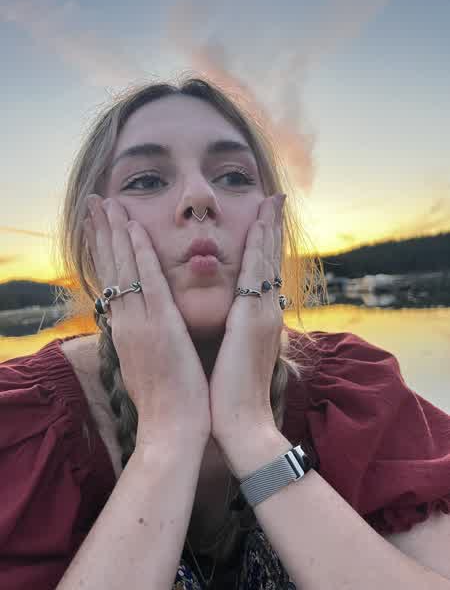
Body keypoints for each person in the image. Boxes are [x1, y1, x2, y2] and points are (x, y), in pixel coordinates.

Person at [0, 76, 449, 590]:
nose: (200, 197)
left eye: (234, 176)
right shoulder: (21, 427)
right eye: (146, 180)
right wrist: (166, 440)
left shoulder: (358, 392)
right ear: (91, 238)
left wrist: (252, 431)